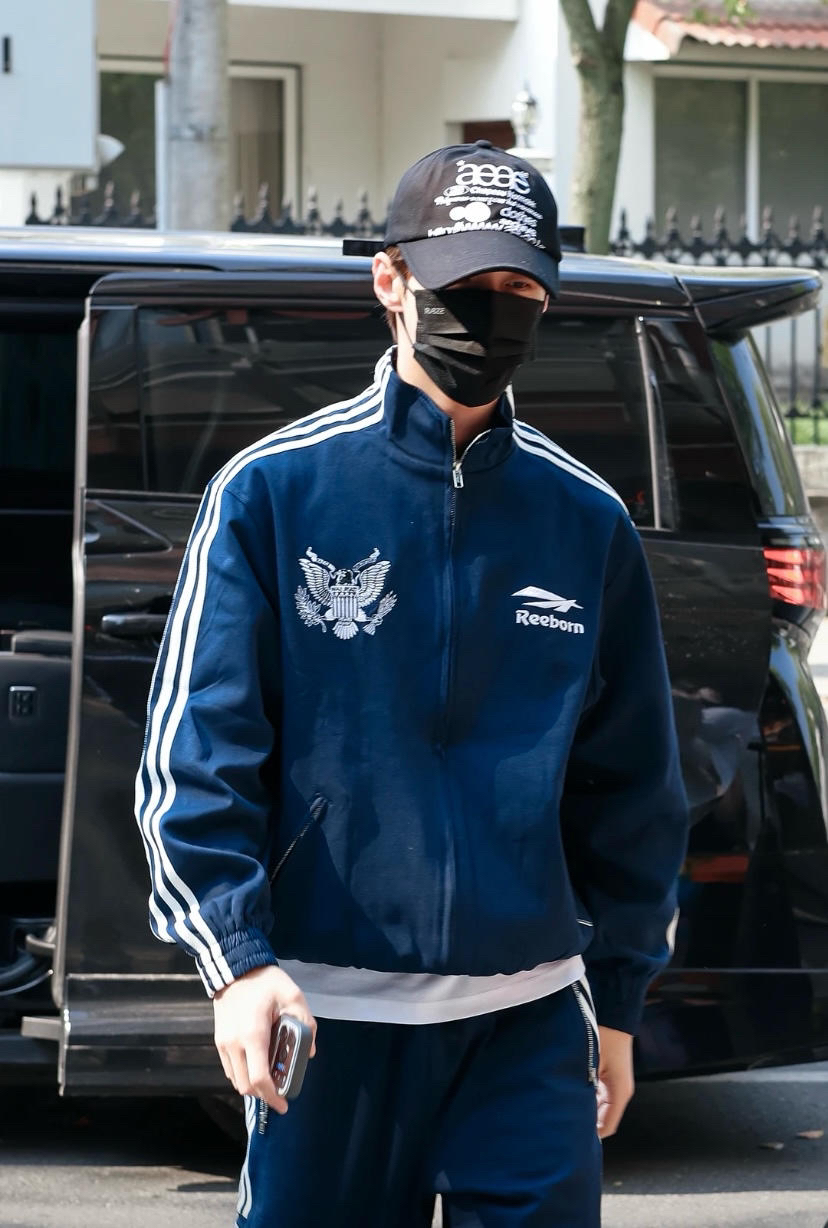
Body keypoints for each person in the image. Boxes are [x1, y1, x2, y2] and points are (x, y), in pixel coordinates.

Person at [135, 139, 688, 1228]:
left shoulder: (587, 520)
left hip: (528, 1019)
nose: (492, 312)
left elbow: (632, 786)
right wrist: (236, 963)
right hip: (326, 1015)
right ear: (390, 281)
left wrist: (617, 1002)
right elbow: (196, 758)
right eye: (464, 284)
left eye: (520, 288)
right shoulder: (271, 492)